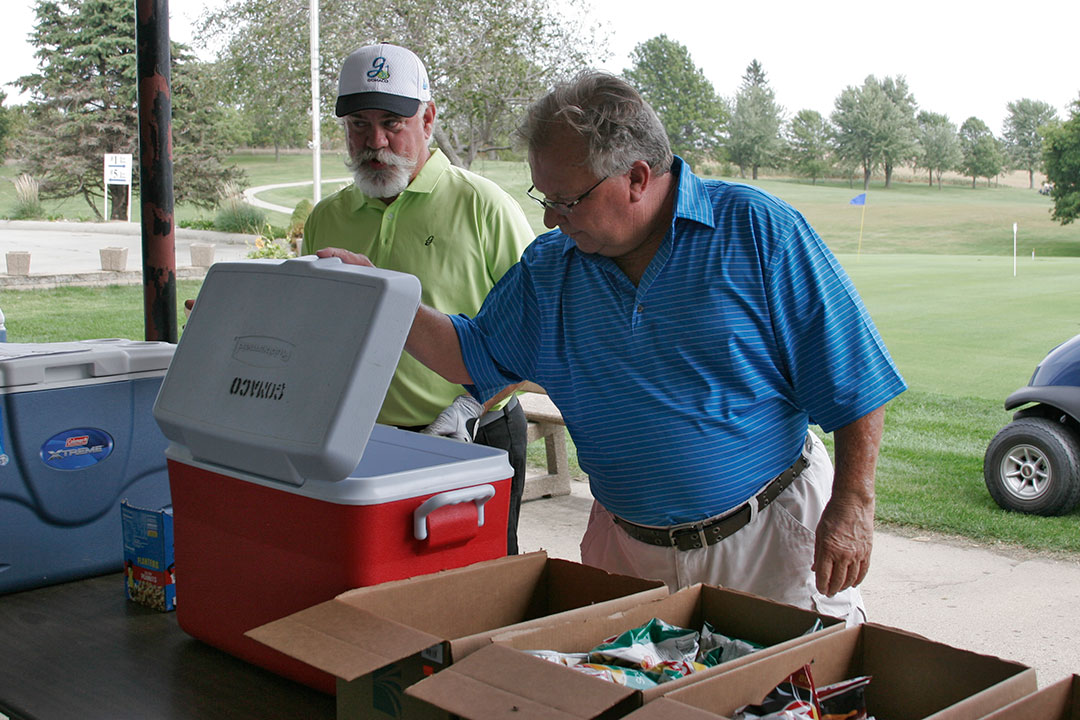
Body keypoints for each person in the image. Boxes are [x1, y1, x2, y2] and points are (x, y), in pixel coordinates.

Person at [323, 71, 907, 622]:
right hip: (627, 550)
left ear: (637, 176)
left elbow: (854, 379)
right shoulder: (551, 268)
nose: (550, 220)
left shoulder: (757, 231)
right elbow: (468, 354)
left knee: (785, 694)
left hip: (767, 540)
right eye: (542, 197)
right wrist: (384, 296)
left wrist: (854, 504)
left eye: (567, 200)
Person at [305, 43, 534, 554]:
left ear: (427, 118)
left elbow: (541, 331)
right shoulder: (327, 217)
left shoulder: (484, 207)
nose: (375, 141)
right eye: (359, 125)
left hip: (474, 434)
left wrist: (472, 404)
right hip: (362, 442)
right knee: (377, 587)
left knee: (479, 589)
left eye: (393, 121)